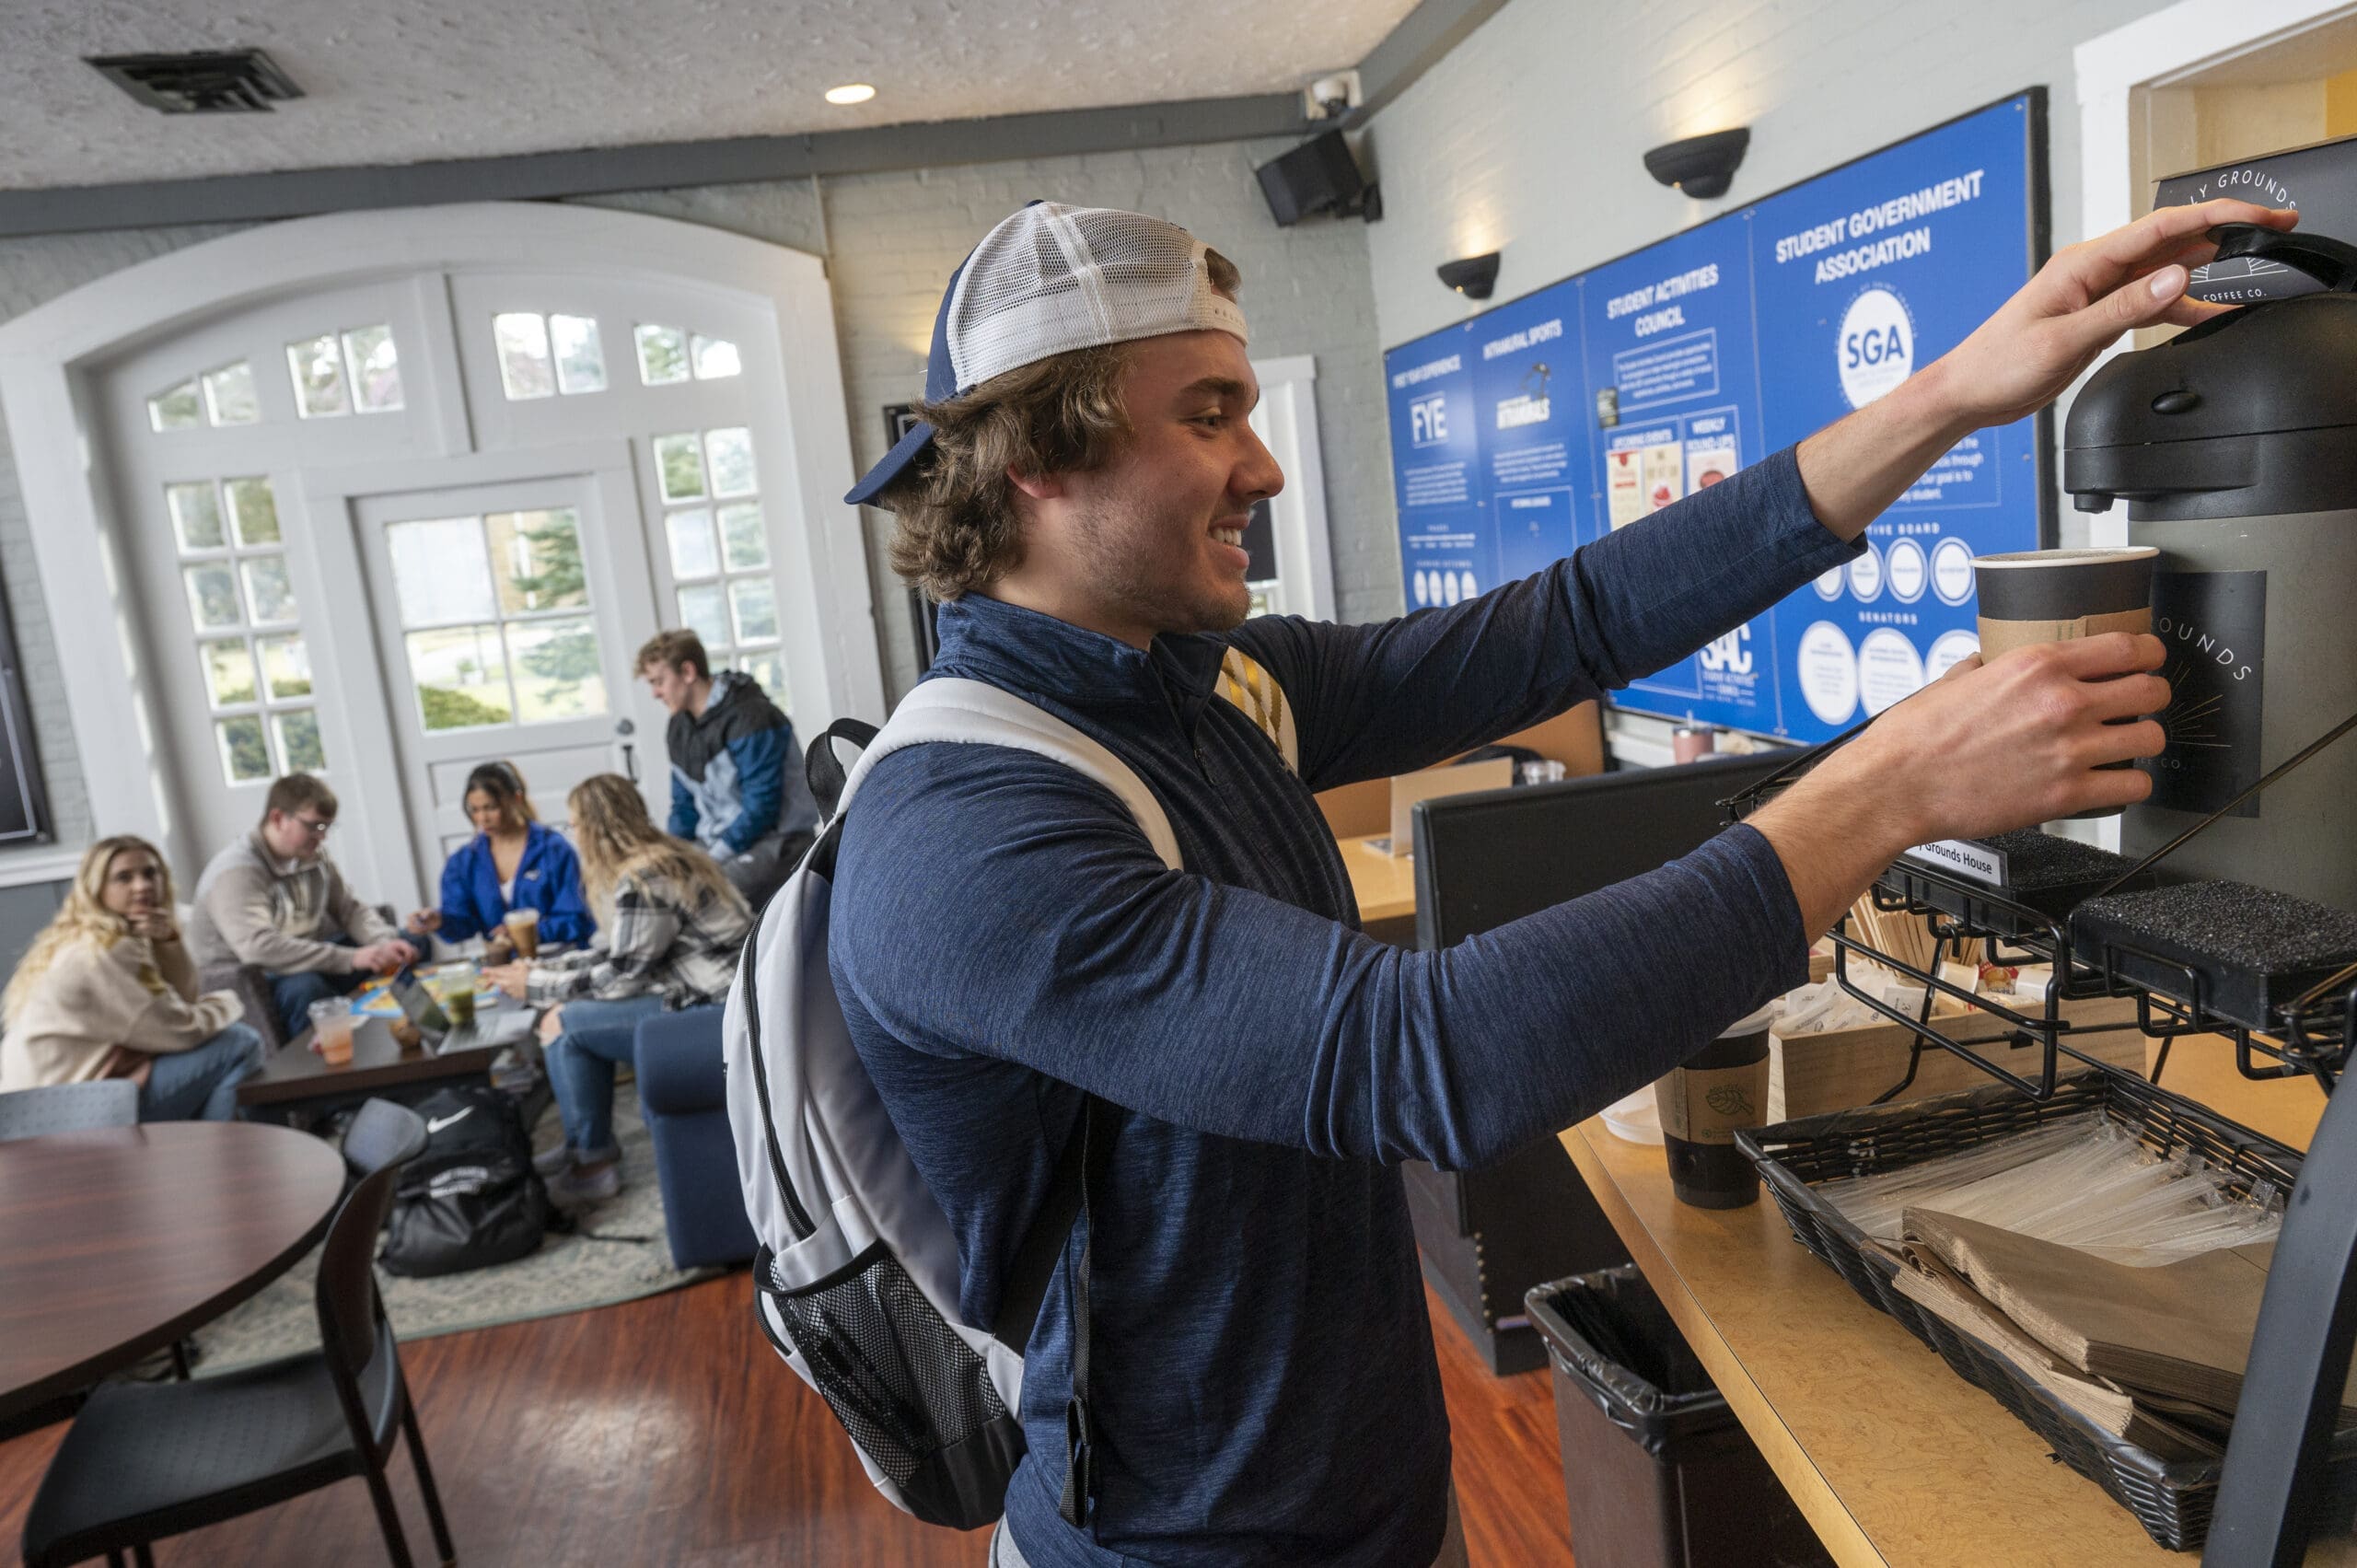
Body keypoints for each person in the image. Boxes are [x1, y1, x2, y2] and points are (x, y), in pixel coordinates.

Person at [826, 197, 2292, 1568]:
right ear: (1038, 455)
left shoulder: (1214, 690)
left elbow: (1572, 622)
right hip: (1170, 1540)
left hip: (1371, 1492)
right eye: (1208, 417)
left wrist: (1956, 392)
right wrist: (1895, 783)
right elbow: (1426, 1054)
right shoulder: (965, 829)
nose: (1262, 466)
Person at [486, 773, 750, 1208]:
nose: (572, 835)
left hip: (716, 1015)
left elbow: (623, 977)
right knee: (562, 1009)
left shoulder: (647, 876)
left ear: (597, 827)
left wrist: (533, 985)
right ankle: (583, 1147)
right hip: (712, 1000)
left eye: (574, 825)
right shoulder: (666, 858)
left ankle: (592, 1163)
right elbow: (621, 955)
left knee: (564, 1025)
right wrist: (544, 970)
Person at [1, 836, 263, 1121]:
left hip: (32, 1109)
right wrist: (228, 1004)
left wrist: (167, 942)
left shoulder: (91, 937)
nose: (143, 886)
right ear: (97, 888)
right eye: (123, 878)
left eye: (150, 873)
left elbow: (182, 1001)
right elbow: (180, 1030)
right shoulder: (107, 950)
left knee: (212, 1057)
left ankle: (201, 1152)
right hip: (63, 1113)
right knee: (239, 1042)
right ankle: (222, 1155)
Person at [187, 772, 418, 1040]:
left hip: (307, 959)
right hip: (258, 977)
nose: (322, 837)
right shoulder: (236, 872)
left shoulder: (312, 856)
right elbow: (258, 948)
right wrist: (351, 958)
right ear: (278, 819)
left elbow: (348, 908)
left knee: (408, 946)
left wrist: (383, 942)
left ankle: (406, 1041)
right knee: (306, 989)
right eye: (314, 827)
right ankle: (324, 1075)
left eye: (327, 828)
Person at [636, 629, 818, 910]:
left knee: (702, 899)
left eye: (659, 681)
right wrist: (672, 856)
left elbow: (761, 809)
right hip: (720, 845)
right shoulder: (678, 727)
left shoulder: (752, 717)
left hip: (778, 842)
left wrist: (708, 861)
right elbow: (683, 807)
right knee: (655, 887)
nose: (655, 693)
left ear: (687, 671)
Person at [403, 761, 594, 958]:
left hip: (561, 959)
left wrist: (527, 932)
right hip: (504, 967)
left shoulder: (554, 850)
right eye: (475, 810)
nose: (482, 818)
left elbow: (577, 919)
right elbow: (463, 925)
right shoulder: (464, 862)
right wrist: (440, 921)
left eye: (491, 807)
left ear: (516, 800)